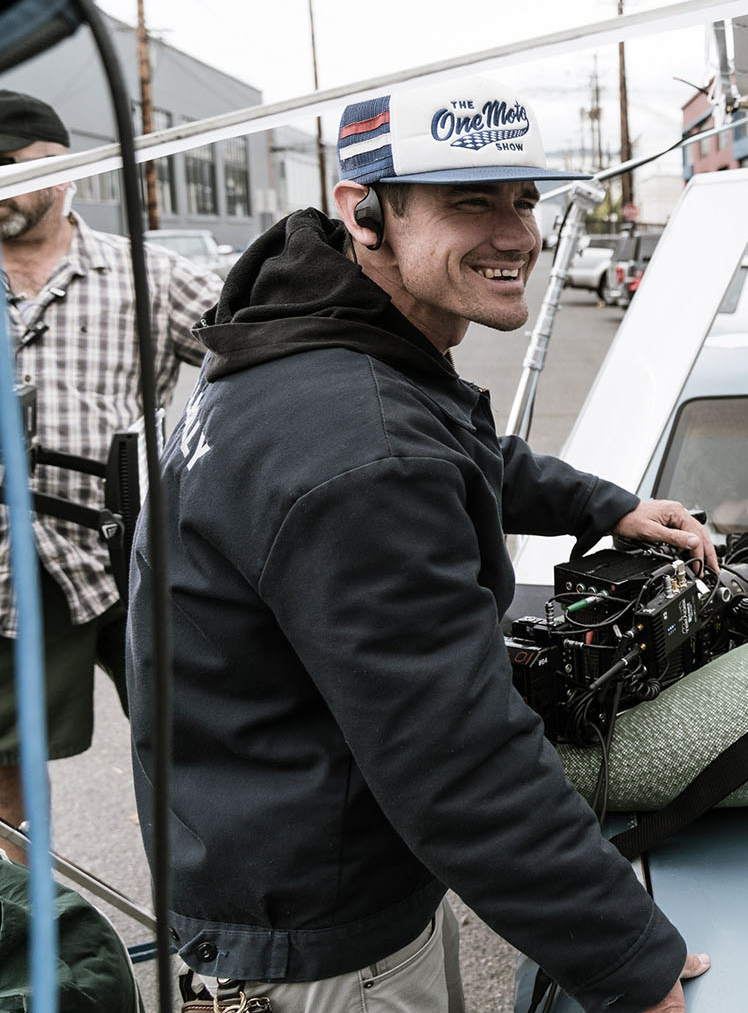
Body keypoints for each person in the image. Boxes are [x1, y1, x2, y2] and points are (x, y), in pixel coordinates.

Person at [126, 78, 713, 1012]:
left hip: (268, 845)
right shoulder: (359, 445)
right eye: (470, 202)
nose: (517, 235)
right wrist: (627, 957)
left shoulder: (307, 342)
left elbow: (453, 447)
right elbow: (460, 757)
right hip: (326, 941)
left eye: (524, 199)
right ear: (365, 213)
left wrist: (607, 507)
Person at [0, 90, 218, 861]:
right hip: (2, 571)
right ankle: (31, 912)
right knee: (6, 772)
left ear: (64, 171)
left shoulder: (148, 276)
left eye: (10, 165)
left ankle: (204, 910)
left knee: (192, 743)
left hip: (129, 554)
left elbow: (262, 353)